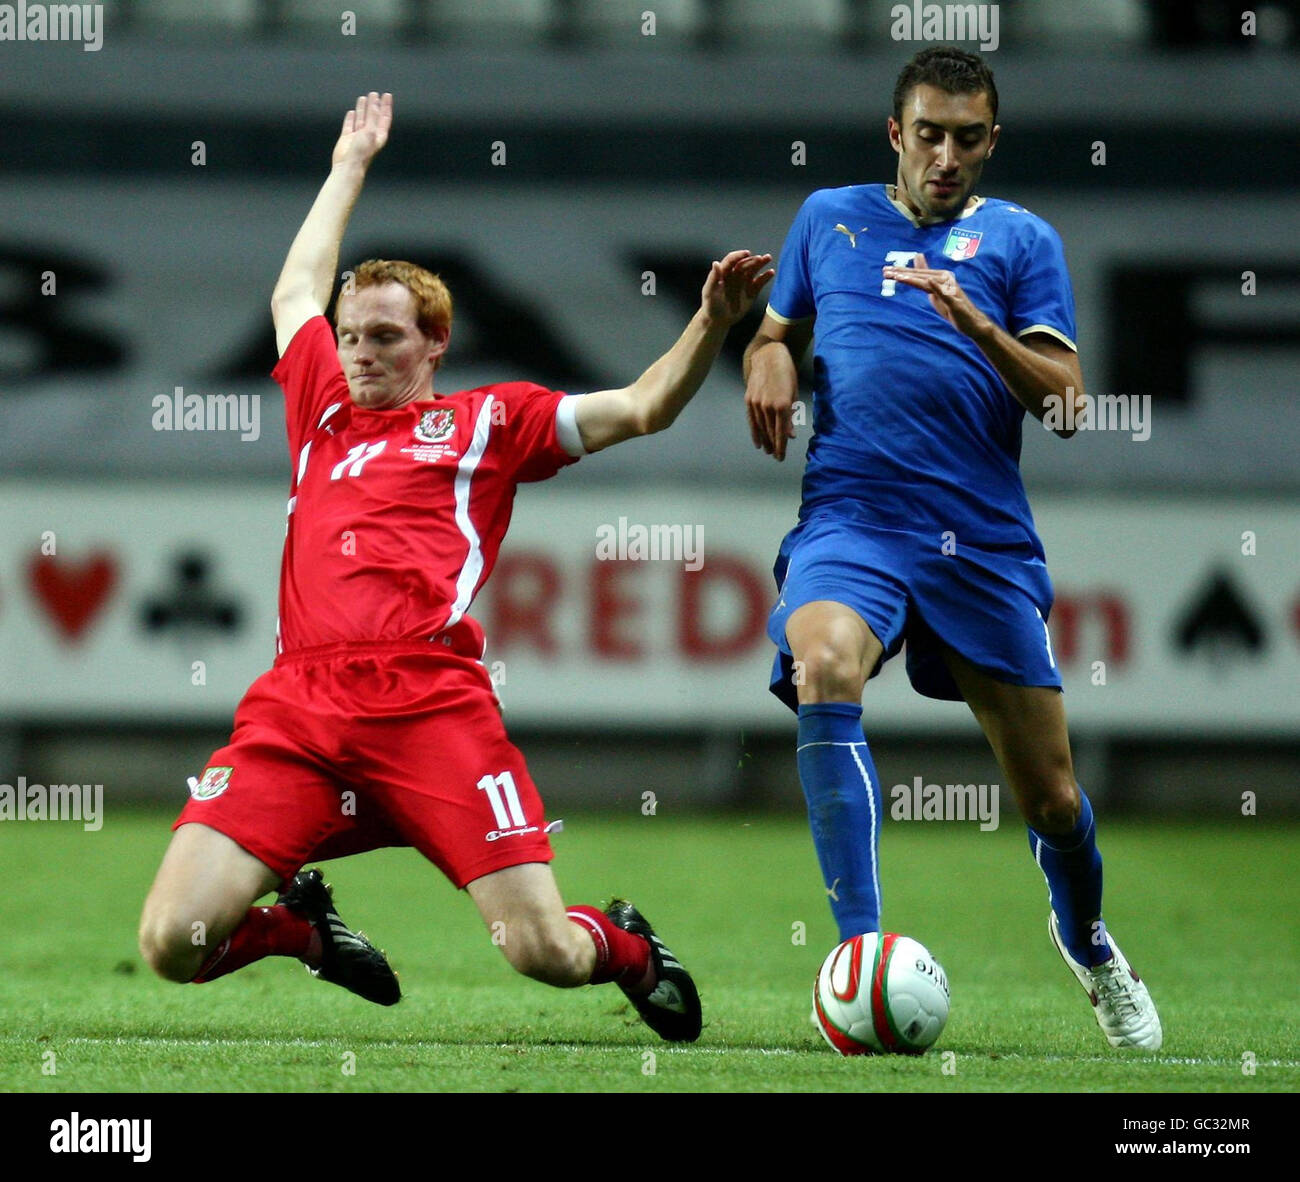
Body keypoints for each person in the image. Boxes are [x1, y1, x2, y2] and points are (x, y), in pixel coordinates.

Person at [138, 91, 773, 1043]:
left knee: (542, 953)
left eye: (385, 337)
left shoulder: (489, 422)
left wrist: (711, 324)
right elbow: (294, 294)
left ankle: (631, 948)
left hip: (429, 704)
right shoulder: (320, 412)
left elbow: (642, 408)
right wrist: (349, 163)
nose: (357, 354)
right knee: (171, 943)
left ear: (436, 342)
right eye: (352, 336)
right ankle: (306, 937)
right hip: (298, 711)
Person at [742, 47, 1161, 1050]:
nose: (944, 155)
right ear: (896, 133)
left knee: (1053, 801)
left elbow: (1065, 403)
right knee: (823, 663)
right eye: (927, 134)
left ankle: (1090, 944)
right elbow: (773, 332)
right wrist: (764, 362)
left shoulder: (1022, 241)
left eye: (965, 138)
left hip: (978, 541)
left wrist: (979, 324)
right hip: (853, 518)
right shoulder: (826, 219)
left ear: (989, 143)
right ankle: (859, 957)